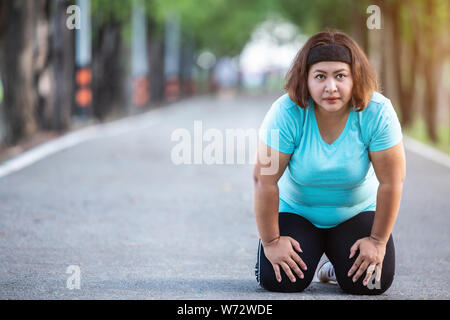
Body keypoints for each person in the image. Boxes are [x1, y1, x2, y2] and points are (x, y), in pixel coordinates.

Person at [253, 29, 406, 295]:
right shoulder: (286, 112)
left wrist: (377, 241)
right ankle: (281, 259)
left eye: (340, 76)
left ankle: (334, 268)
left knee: (370, 284)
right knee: (280, 281)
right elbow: (264, 180)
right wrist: (271, 242)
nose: (331, 87)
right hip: (298, 211)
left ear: (354, 77)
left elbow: (392, 181)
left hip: (355, 212)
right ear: (307, 80)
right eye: (320, 76)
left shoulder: (377, 112)